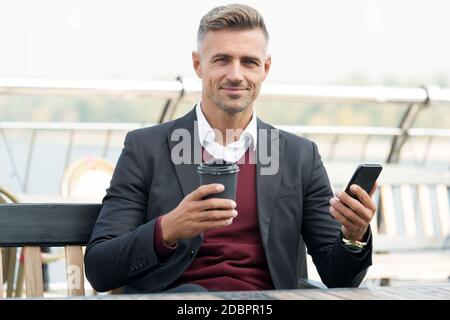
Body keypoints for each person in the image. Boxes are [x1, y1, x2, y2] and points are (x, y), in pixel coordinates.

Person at [85, 3, 376, 293]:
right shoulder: (145, 148)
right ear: (198, 64)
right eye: (222, 60)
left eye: (249, 62)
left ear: (266, 68)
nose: (236, 75)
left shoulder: (300, 156)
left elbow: (338, 279)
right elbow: (100, 269)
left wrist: (354, 236)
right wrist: (168, 229)